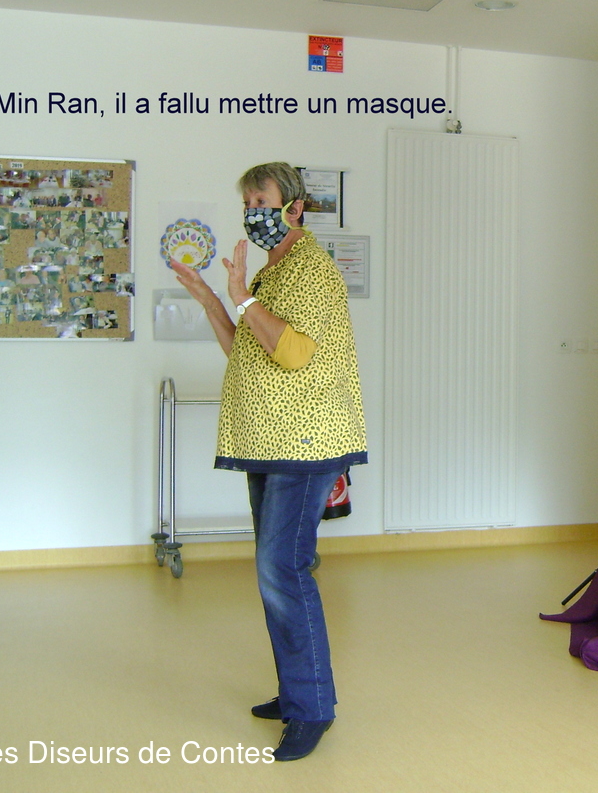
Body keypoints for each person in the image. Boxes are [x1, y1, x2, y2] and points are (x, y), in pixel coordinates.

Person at [170, 162, 366, 761]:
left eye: (262, 200)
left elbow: (296, 352)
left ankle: (312, 708)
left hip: (305, 443)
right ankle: (298, 692)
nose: (252, 212)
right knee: (276, 570)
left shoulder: (311, 268)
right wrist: (212, 299)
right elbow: (247, 351)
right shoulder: (273, 270)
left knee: (283, 570)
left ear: (294, 208)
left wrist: (243, 297)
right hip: (269, 440)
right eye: (247, 203)